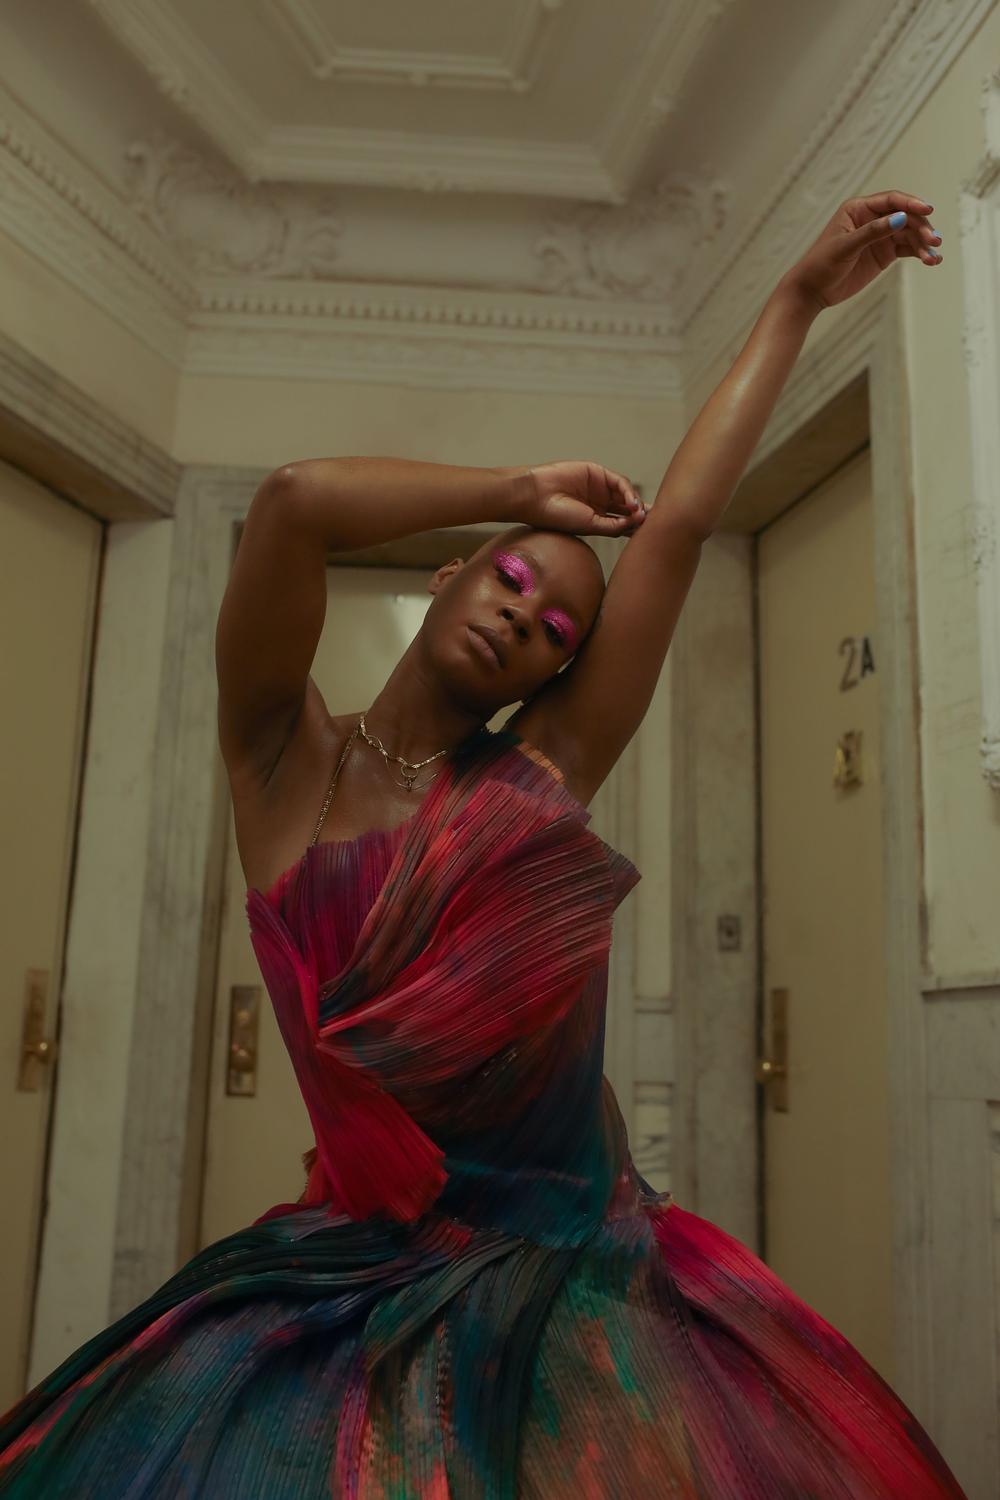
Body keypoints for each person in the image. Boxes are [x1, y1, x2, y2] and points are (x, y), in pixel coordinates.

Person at [0, 191, 966, 1498]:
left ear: (555, 677)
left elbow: (680, 527)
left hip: (576, 1281)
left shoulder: (537, 777)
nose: (526, 617)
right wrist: (521, 492)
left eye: (558, 631)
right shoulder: (281, 761)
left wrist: (795, 298)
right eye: (511, 577)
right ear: (447, 575)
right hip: (346, 1277)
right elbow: (293, 502)